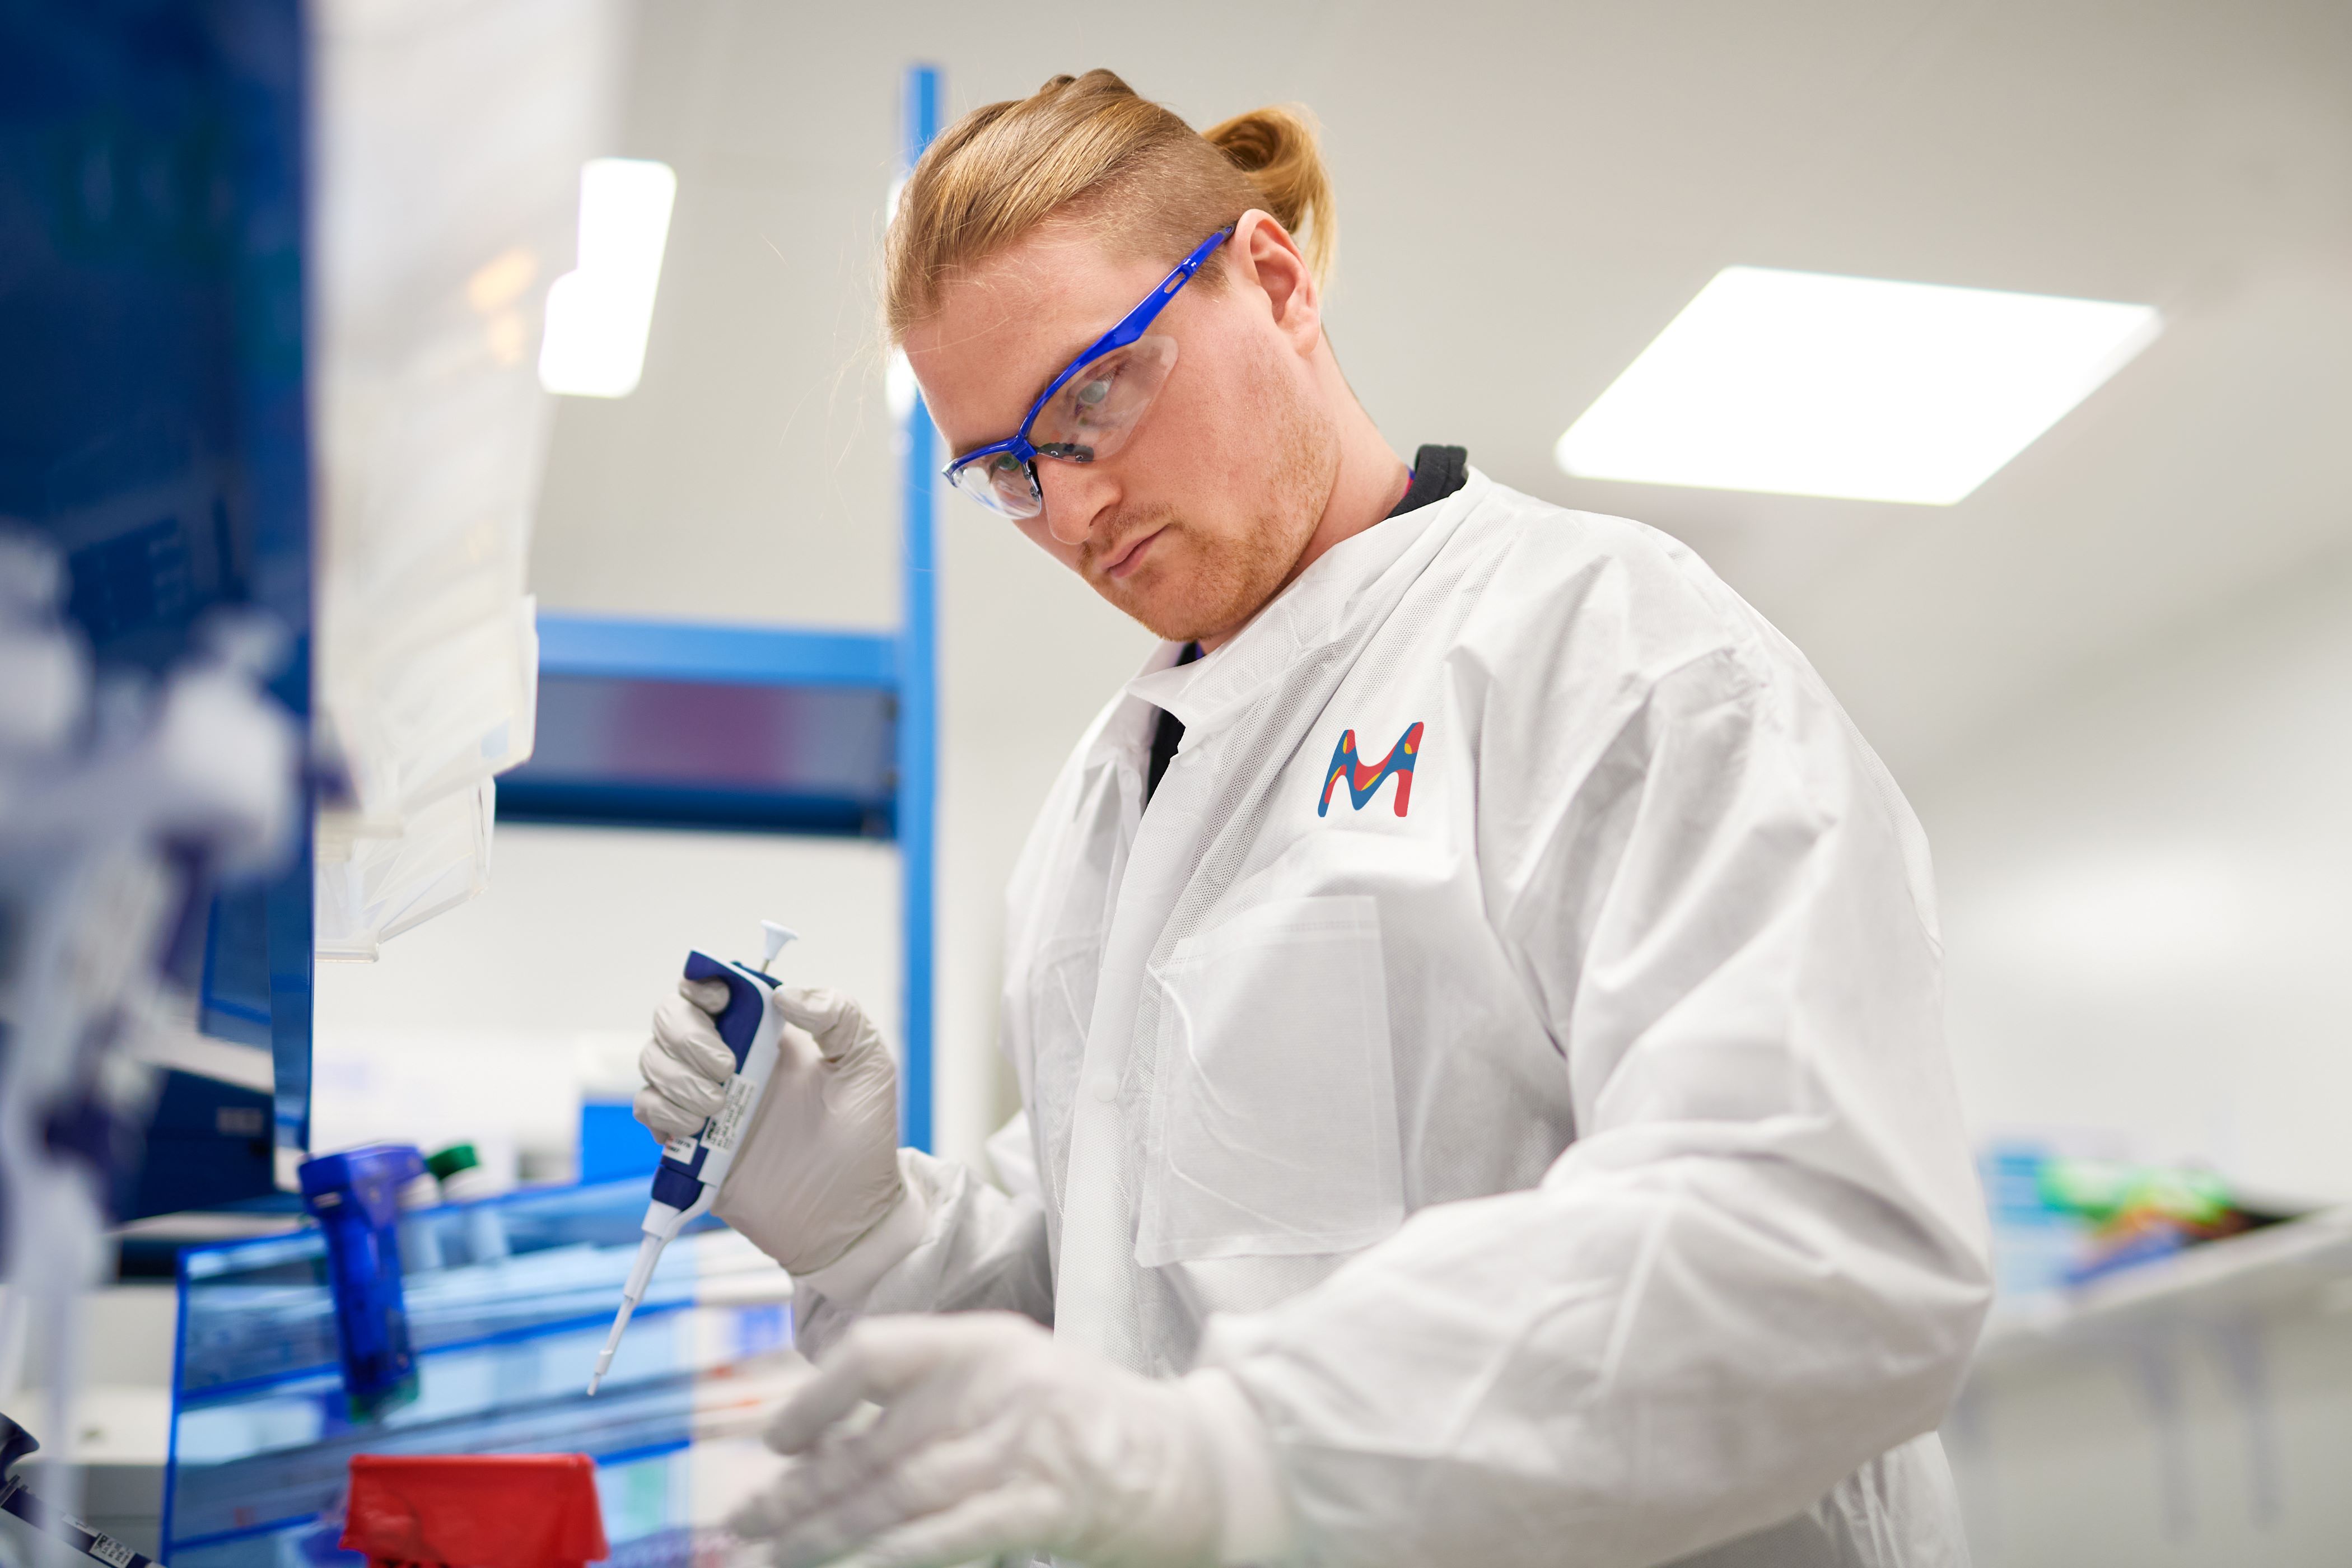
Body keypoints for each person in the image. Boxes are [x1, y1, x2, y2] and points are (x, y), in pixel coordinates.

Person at [633, 69, 1992, 1568]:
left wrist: (1244, 1458)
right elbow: (1117, 1313)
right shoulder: (1113, 789)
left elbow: (1819, 1247)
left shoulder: (1611, 653)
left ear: (1271, 280)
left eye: (1092, 393)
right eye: (1009, 469)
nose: (1071, 508)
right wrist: (869, 1236)